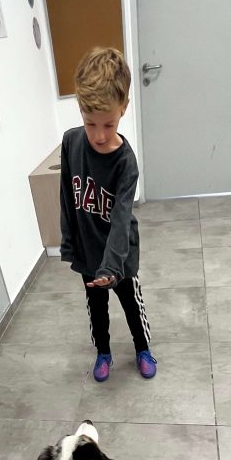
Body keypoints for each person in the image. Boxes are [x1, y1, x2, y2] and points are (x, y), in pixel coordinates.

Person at [59, 47, 157, 382]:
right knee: (96, 308)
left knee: (131, 304)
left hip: (120, 255)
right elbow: (66, 196)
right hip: (89, 252)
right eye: (90, 124)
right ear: (80, 109)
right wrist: (70, 244)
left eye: (109, 124)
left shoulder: (125, 163)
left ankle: (143, 348)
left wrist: (111, 267)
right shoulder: (71, 143)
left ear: (124, 108)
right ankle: (103, 352)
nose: (99, 135)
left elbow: (120, 218)